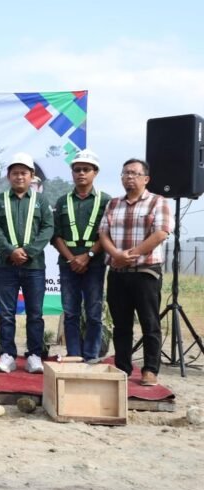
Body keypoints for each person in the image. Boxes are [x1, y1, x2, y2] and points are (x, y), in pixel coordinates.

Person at [99, 158, 172, 386]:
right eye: (125, 173)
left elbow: (161, 233)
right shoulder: (113, 204)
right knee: (121, 325)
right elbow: (103, 234)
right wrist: (116, 255)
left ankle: (150, 370)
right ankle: (123, 367)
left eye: (134, 173)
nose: (129, 177)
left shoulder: (157, 202)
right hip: (117, 273)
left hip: (145, 272)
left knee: (150, 323)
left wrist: (130, 254)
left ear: (146, 178)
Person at [0, 152, 54, 374]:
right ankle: (7, 355)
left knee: (35, 314)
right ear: (9, 176)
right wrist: (11, 251)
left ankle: (34, 355)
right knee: (6, 314)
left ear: (31, 176)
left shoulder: (41, 201)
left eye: (23, 173)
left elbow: (47, 228)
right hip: (6, 266)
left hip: (34, 267)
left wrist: (28, 251)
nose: (19, 177)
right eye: (15, 173)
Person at [51, 149, 111, 362]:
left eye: (86, 169)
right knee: (71, 312)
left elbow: (108, 234)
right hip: (68, 264)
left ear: (95, 172)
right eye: (77, 170)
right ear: (72, 173)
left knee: (94, 312)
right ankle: (74, 355)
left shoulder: (106, 201)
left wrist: (88, 255)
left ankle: (92, 356)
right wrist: (71, 258)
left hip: (94, 263)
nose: (81, 173)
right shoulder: (62, 201)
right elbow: (55, 235)